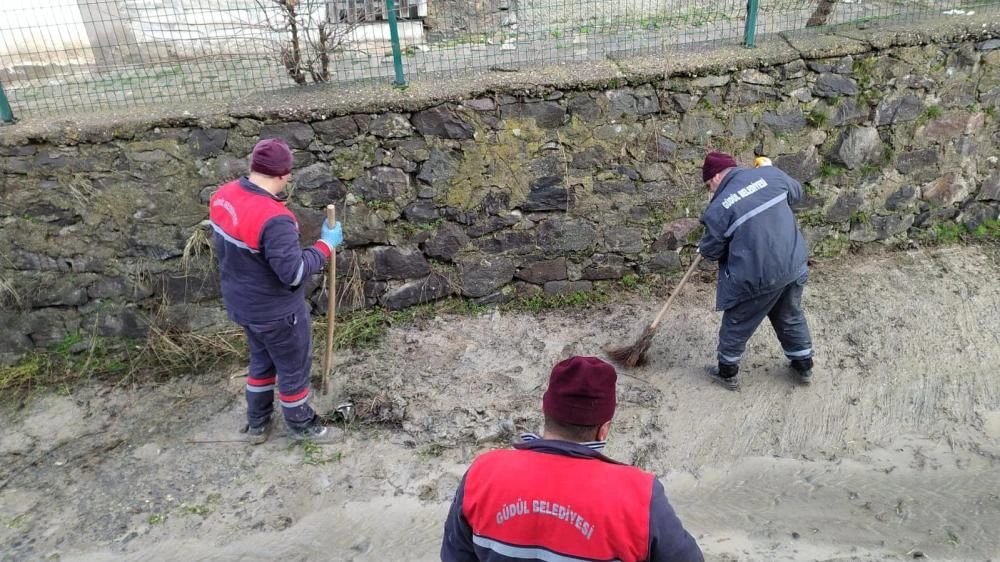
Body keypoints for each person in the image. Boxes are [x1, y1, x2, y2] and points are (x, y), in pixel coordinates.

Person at [441, 356, 703, 562]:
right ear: (604, 428)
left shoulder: (483, 473)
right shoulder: (640, 494)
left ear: (546, 411)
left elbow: (454, 555)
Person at [209, 137, 343, 444]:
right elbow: (293, 274)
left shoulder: (223, 196)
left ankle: (257, 423)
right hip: (276, 311)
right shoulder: (274, 218)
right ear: (284, 175)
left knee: (262, 360)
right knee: (293, 366)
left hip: (242, 304)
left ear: (253, 165)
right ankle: (302, 425)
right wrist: (325, 245)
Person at [697, 151, 814, 391]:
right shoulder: (770, 175)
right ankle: (804, 365)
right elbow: (798, 193)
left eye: (709, 185)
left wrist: (705, 244)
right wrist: (773, 171)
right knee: (789, 313)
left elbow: (711, 252)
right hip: (793, 263)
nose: (711, 191)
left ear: (717, 176)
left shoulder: (718, 209)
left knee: (738, 318)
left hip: (758, 276)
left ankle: (727, 371)